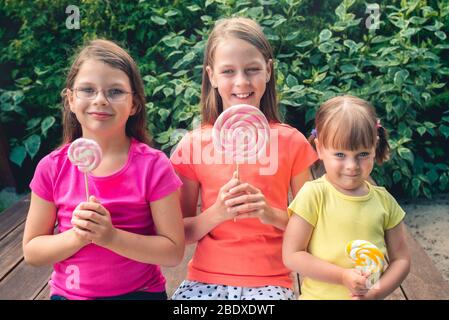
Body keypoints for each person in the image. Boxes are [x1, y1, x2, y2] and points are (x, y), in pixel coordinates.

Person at [22, 39, 185, 300]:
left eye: (115, 91)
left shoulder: (154, 166)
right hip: (70, 295)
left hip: (140, 293)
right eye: (87, 89)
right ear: (71, 100)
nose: (100, 100)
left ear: (134, 105)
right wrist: (78, 236)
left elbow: (173, 251)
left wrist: (110, 237)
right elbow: (32, 251)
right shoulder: (51, 168)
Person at [170, 17, 318, 300]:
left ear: (269, 71)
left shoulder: (292, 142)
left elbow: (313, 224)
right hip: (204, 279)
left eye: (252, 70)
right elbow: (180, 233)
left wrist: (268, 212)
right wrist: (217, 213)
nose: (241, 82)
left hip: (272, 282)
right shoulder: (192, 145)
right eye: (228, 71)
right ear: (211, 76)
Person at [283, 95, 411, 300]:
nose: (352, 166)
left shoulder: (385, 202)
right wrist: (343, 276)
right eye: (340, 155)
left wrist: (374, 294)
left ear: (374, 146)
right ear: (320, 149)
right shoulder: (313, 195)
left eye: (362, 154)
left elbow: (401, 260)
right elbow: (292, 255)